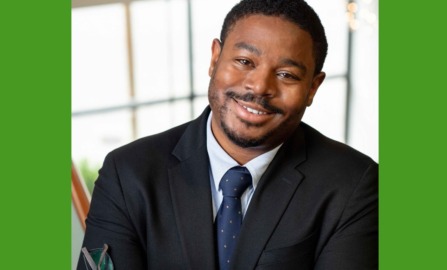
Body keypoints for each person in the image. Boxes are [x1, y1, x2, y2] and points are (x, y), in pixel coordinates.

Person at [78, 0, 378, 269]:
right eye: (245, 62)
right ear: (215, 58)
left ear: (313, 87)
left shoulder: (354, 184)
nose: (259, 87)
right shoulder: (128, 173)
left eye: (286, 74)